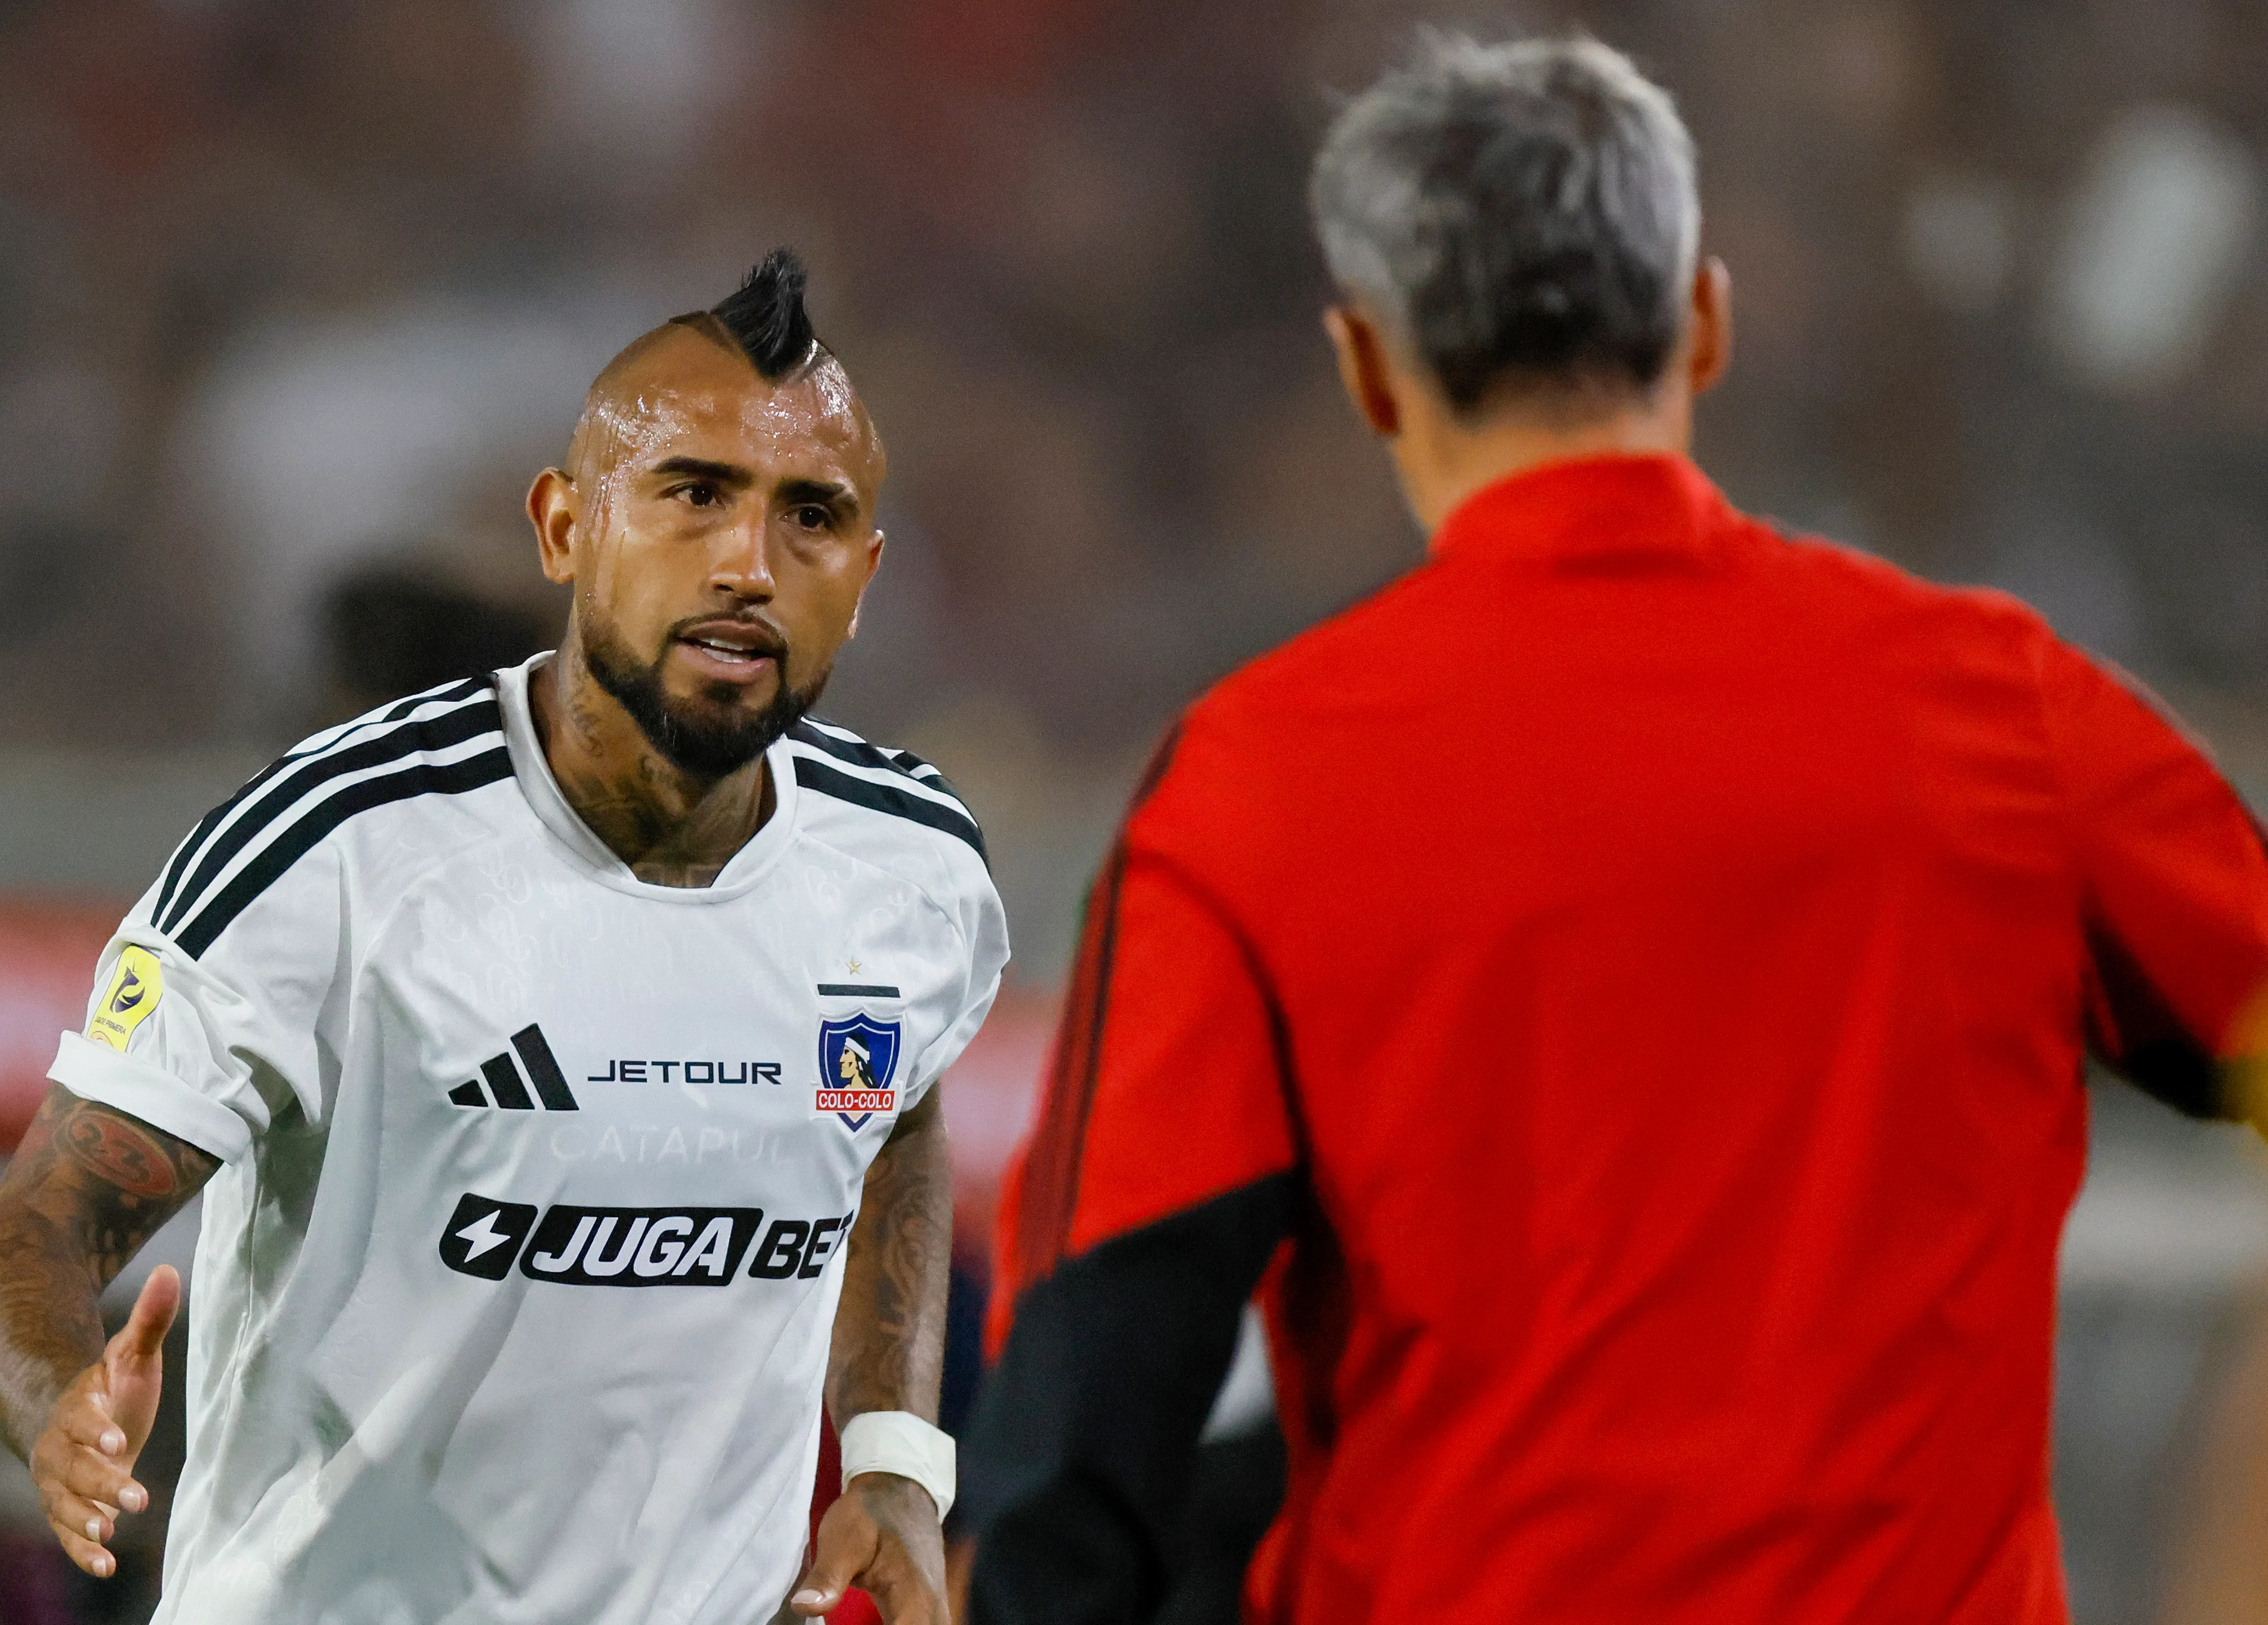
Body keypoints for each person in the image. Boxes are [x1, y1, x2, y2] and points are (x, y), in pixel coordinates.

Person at [962, 34, 2268, 1625]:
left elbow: (1092, 1389)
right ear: (1702, 322)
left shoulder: (1254, 786)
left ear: (1369, 366)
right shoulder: (1999, 715)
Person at [0, 250, 1006, 1625]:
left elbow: (892, 1118)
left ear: (863, 575)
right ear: (565, 527)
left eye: (810, 516)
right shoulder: (331, 854)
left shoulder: (911, 868)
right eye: (694, 495)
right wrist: (62, 1407)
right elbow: (32, 1230)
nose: (749, 564)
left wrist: (896, 1462)